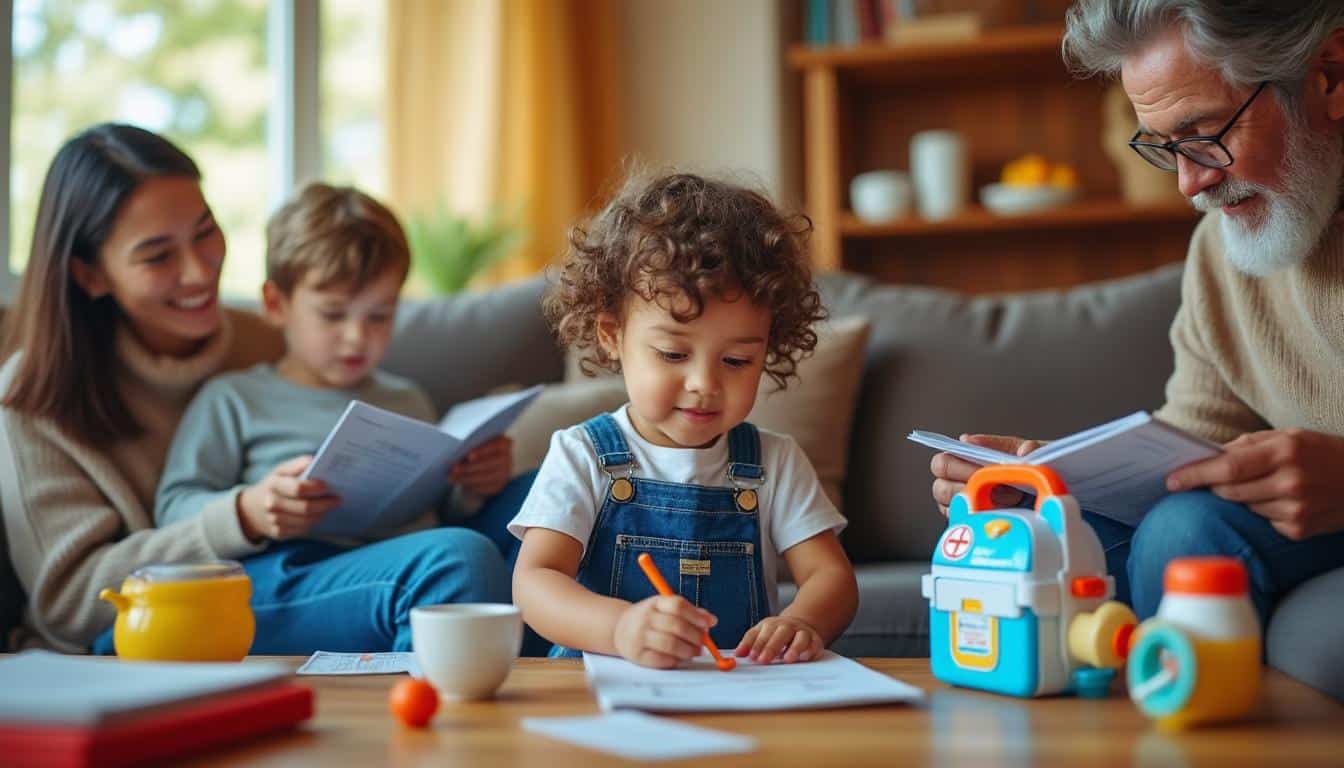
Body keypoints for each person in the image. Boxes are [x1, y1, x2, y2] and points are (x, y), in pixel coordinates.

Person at [0, 124, 500, 654]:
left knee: (558, 495)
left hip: (367, 562)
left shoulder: (270, 339)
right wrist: (241, 516)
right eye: (157, 256)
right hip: (179, 605)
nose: (199, 273)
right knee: (456, 560)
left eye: (204, 231)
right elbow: (70, 602)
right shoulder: (36, 397)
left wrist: (470, 480)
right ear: (90, 275)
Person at [929, 1, 1344, 628]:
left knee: (1185, 531)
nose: (1188, 184)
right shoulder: (1224, 248)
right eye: (1166, 146)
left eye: (1205, 133)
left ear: (1330, 76)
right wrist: (1055, 482)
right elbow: (1200, 442)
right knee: (1056, 536)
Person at [152, 182, 527, 653]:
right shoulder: (236, 398)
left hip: (402, 558)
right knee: (457, 558)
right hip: (291, 573)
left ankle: (570, 660)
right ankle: (420, 706)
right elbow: (172, 510)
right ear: (276, 304)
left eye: (379, 316)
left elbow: (436, 510)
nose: (356, 338)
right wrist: (251, 507)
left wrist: (473, 487)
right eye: (333, 314)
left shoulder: (407, 398)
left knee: (549, 492)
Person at [510, 172, 858, 668]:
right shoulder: (582, 453)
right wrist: (621, 628)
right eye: (673, 354)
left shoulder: (775, 462)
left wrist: (804, 622)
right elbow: (536, 581)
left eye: (736, 361)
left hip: (737, 692)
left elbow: (832, 578)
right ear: (612, 335)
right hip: (597, 689)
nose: (705, 384)